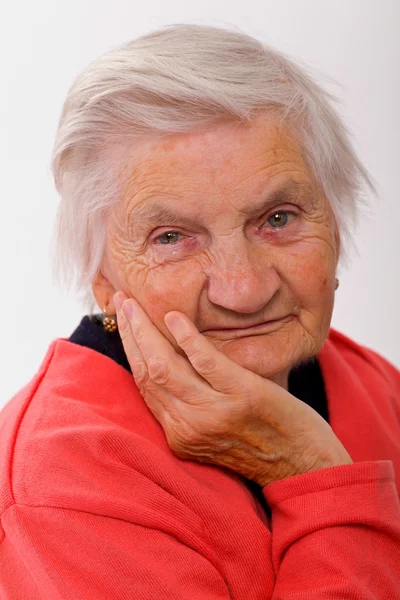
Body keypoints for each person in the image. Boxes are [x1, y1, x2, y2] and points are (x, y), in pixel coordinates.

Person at [1, 24, 399, 599]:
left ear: (336, 223)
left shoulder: (375, 387)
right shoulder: (64, 478)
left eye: (279, 218)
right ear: (103, 276)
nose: (244, 289)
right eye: (171, 238)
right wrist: (315, 478)